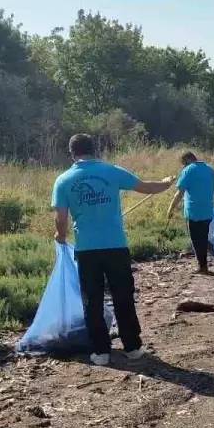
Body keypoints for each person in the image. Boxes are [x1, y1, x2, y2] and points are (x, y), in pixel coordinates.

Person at [52, 134, 174, 366]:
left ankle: (101, 351)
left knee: (92, 299)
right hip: (116, 246)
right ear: (94, 149)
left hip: (87, 249)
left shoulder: (63, 180)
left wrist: (60, 236)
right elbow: (147, 186)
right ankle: (132, 347)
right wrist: (167, 183)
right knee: (123, 295)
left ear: (72, 153)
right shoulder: (112, 171)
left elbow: (61, 218)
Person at [166, 152, 214, 274]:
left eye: (183, 163)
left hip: (193, 212)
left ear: (186, 160)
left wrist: (170, 208)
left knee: (196, 239)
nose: (183, 166)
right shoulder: (209, 169)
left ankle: (203, 266)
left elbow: (179, 193)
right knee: (204, 236)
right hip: (208, 210)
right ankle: (206, 260)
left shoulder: (188, 170)